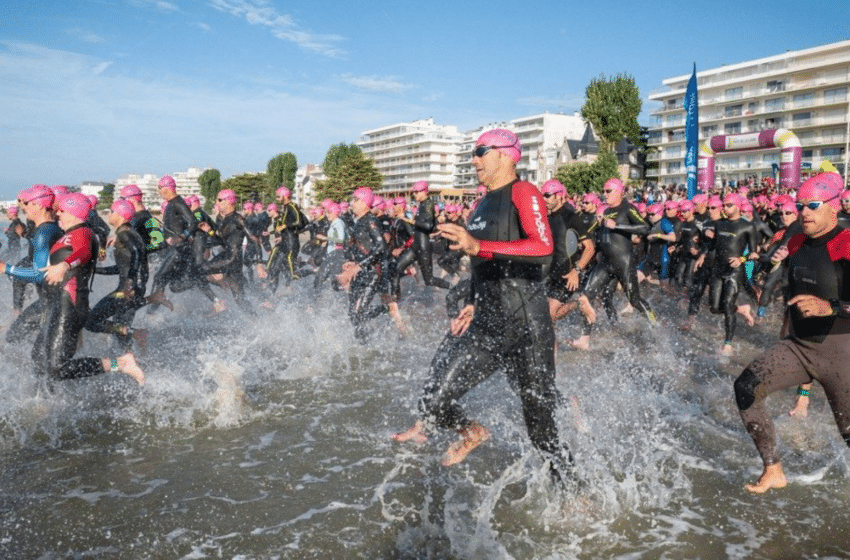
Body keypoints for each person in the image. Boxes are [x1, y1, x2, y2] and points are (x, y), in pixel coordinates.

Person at [393, 129, 574, 487]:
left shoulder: (525, 193)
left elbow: (542, 248)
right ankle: (473, 432)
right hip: (488, 325)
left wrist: (478, 247)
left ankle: (574, 490)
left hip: (527, 328)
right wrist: (474, 301)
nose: (473, 159)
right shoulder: (480, 204)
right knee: (433, 401)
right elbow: (483, 263)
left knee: (541, 431)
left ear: (508, 155)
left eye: (480, 151)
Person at [734, 172, 850, 493]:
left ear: (834, 207)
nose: (804, 212)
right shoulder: (796, 242)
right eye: (800, 205)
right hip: (799, 348)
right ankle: (773, 470)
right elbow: (778, 281)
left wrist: (833, 307)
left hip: (841, 352)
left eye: (812, 205)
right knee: (746, 388)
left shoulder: (846, 242)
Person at [35, 193, 145, 384]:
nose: (57, 213)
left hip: (75, 302)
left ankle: (121, 361)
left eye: (61, 210)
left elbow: (85, 253)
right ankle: (45, 401)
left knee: (57, 367)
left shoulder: (111, 232)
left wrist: (65, 265)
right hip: (65, 302)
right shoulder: (74, 234)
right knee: (44, 360)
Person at [572, 178, 654, 350]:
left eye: (608, 191)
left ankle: (655, 323)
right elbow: (602, 235)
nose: (605, 194)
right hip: (605, 263)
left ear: (619, 191)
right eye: (604, 191)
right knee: (585, 298)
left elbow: (645, 228)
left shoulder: (627, 208)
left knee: (635, 300)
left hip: (623, 262)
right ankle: (584, 338)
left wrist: (618, 226)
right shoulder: (606, 210)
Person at [1, 186, 64, 343]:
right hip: (53, 300)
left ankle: (120, 363)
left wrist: (7, 269)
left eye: (27, 203)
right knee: (37, 349)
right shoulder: (50, 229)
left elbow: (39, 273)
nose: (23, 207)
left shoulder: (44, 232)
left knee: (12, 339)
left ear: (39, 205)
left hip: (52, 303)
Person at [85, 199, 149, 351]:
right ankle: (135, 363)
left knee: (91, 321)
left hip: (127, 290)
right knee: (121, 331)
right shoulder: (129, 233)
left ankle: (137, 335)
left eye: (112, 212)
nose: (109, 215)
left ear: (120, 214)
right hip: (134, 288)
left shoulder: (125, 235)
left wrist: (129, 283)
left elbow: (135, 254)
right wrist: (96, 270)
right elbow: (123, 267)